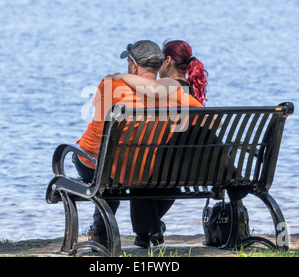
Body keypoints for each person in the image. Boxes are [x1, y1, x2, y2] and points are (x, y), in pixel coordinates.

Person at [73, 40, 204, 249]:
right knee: (115, 162)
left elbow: (98, 117)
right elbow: (209, 117)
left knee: (95, 161)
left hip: (102, 167)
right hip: (141, 171)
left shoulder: (109, 84)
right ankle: (102, 230)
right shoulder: (173, 92)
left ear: (134, 66)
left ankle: (100, 232)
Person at [108, 40, 212, 248]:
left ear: (168, 60)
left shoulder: (171, 87)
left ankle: (150, 229)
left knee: (140, 166)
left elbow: (153, 88)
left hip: (164, 168)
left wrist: (120, 77)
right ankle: (150, 229)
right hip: (186, 170)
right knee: (148, 168)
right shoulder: (190, 91)